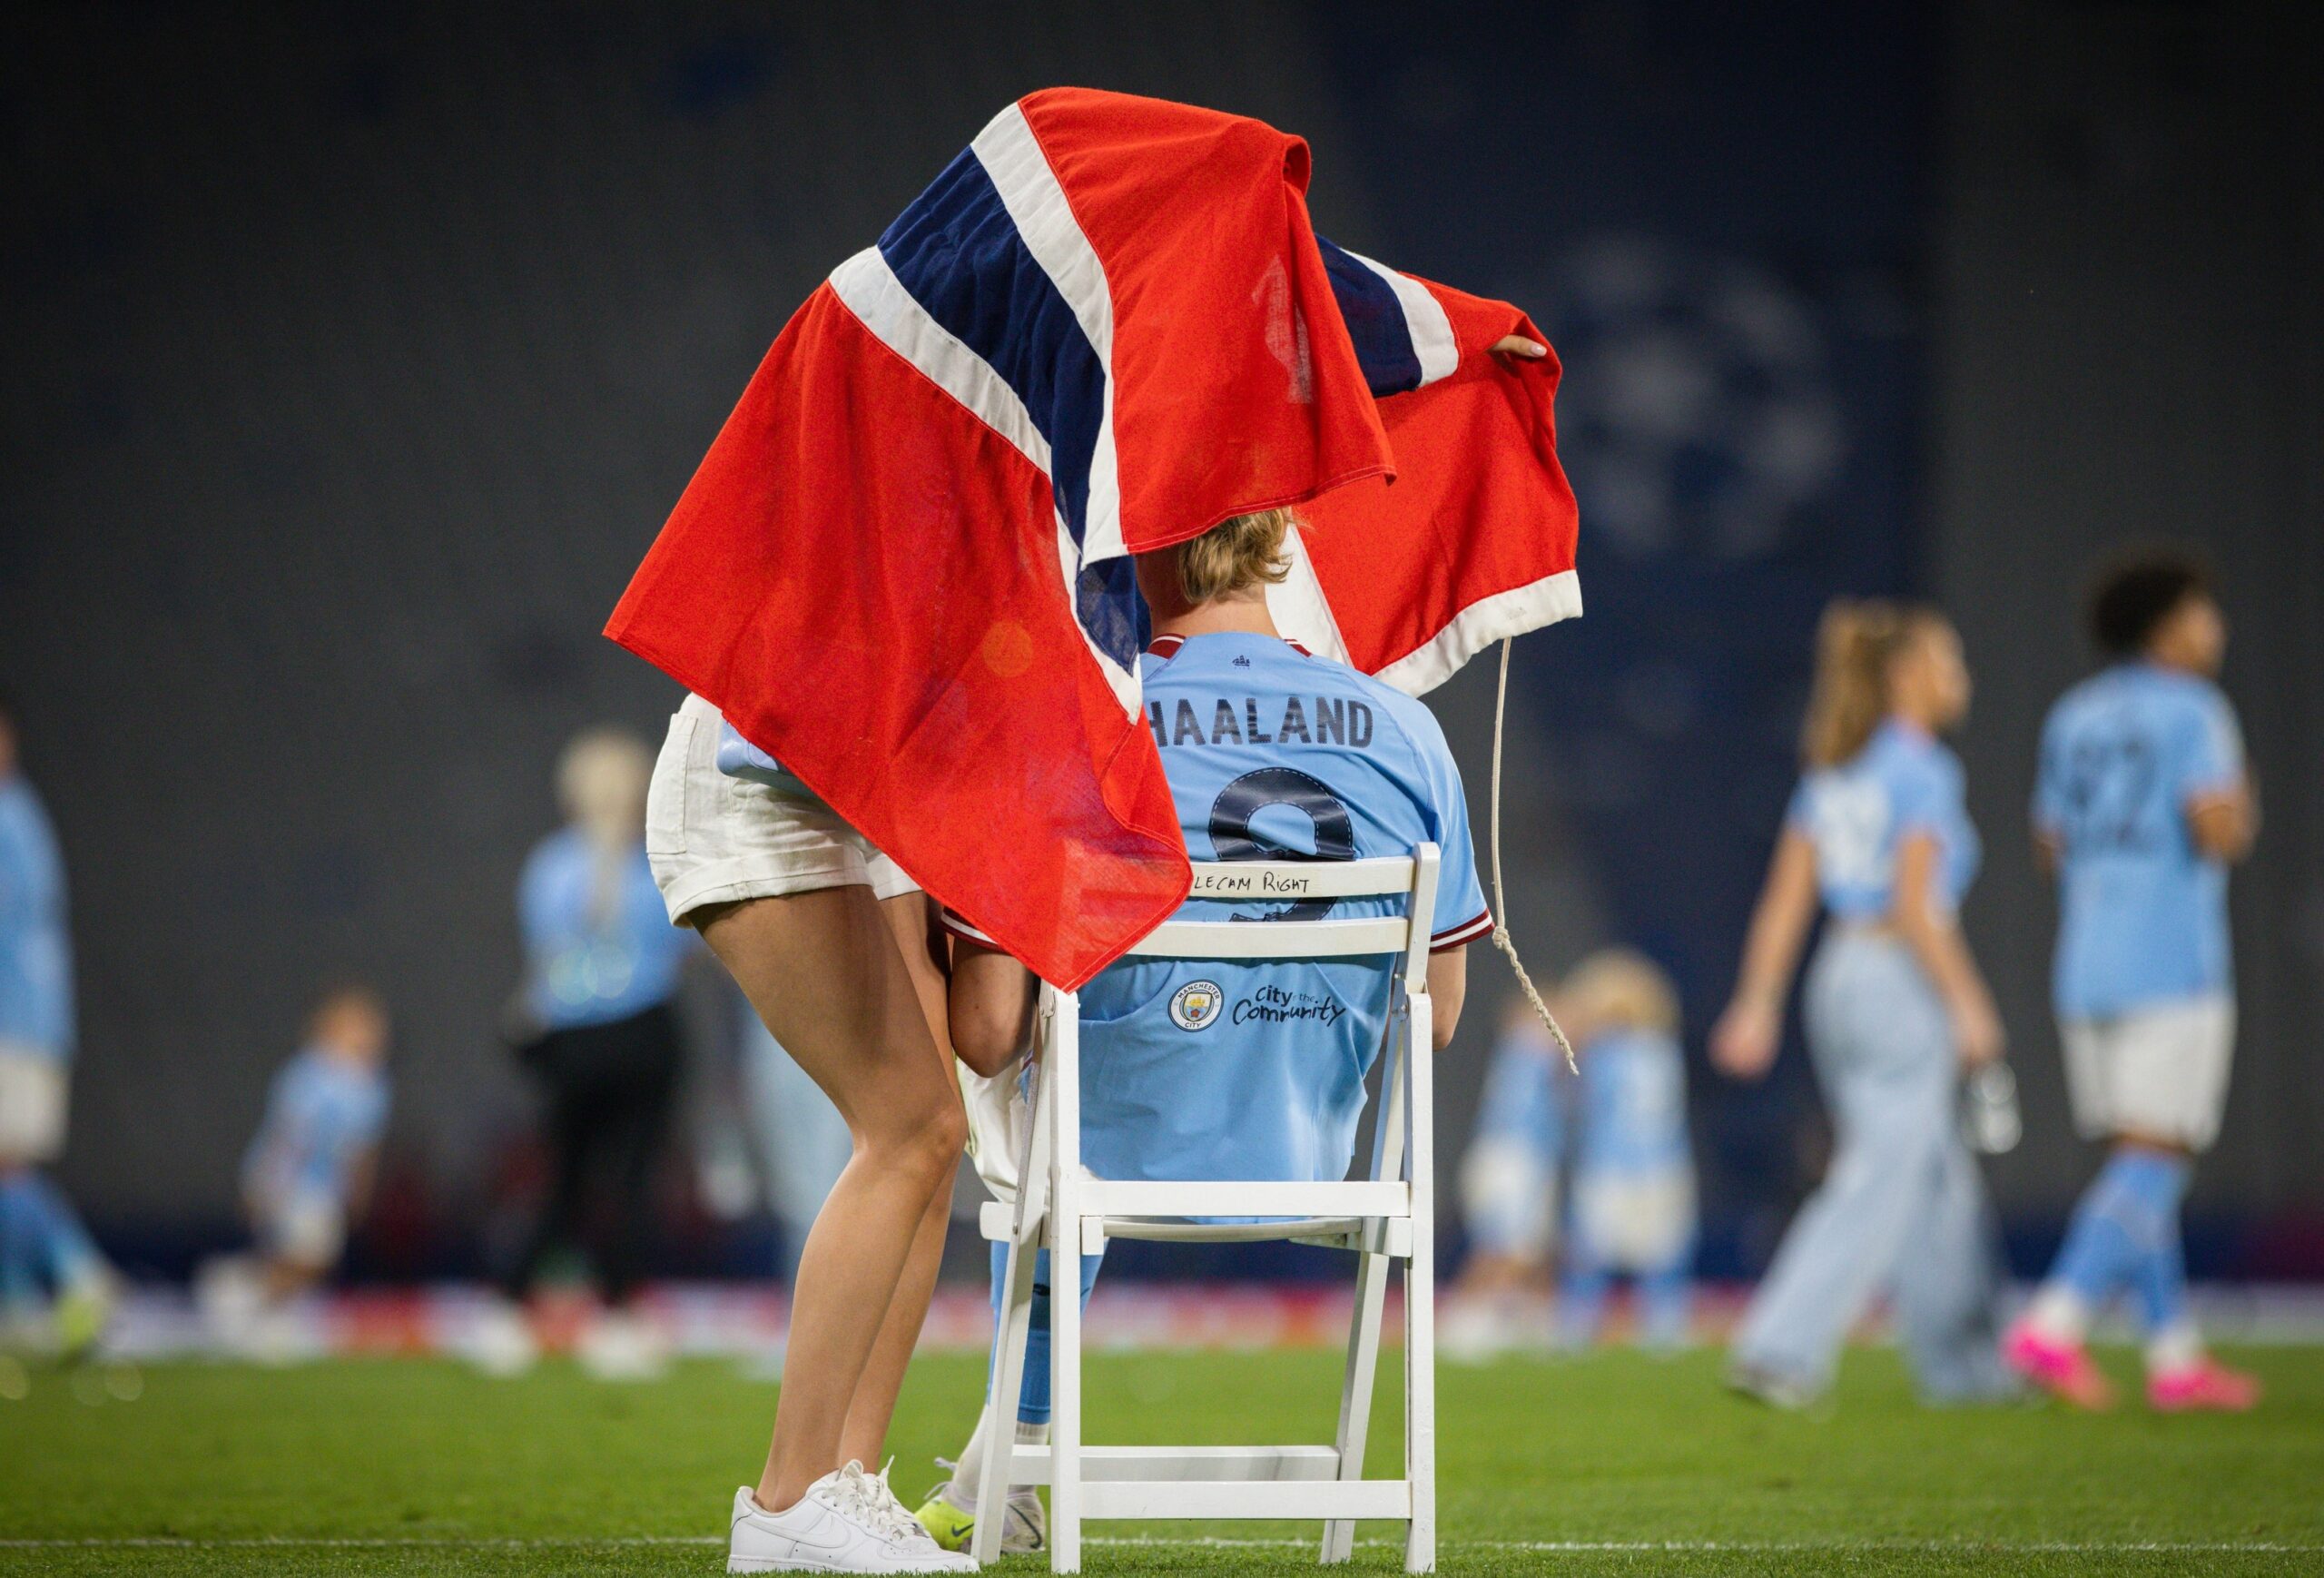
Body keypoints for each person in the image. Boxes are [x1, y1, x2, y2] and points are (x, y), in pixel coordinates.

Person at [910, 507, 1489, 1555]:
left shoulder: (1082, 721)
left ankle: (1014, 1447)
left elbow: (989, 1033)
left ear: (1130, 558)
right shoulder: (1407, 728)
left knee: (1019, 1053)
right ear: (1275, 548)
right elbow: (1436, 1017)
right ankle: (1001, 1458)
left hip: (1101, 1159)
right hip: (1314, 1162)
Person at [646, 696, 971, 1571]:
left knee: (938, 1141)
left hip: (876, 790)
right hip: (763, 773)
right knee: (911, 1127)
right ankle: (786, 1500)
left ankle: (844, 1486)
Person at [1711, 600, 2015, 1408]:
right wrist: (1972, 1005)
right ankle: (1781, 1348)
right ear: (1907, 677)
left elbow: (1784, 903)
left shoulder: (1834, 770)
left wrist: (1757, 1003)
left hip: (1837, 975)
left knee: (1937, 1176)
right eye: (1948, 661)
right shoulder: (1922, 770)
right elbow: (1917, 907)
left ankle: (1969, 1373)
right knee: (1882, 1171)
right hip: (1897, 976)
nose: (1961, 678)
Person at [2004, 552, 2260, 1412]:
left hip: (2087, 963)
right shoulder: (2197, 710)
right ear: (2169, 623)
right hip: (2171, 958)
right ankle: (2054, 1319)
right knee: (2158, 1158)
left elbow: (2049, 846)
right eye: (2203, 613)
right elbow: (2220, 829)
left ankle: (2173, 1358)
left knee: (2135, 1158)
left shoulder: (2072, 717)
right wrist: (2240, 802)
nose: (2213, 631)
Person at [479, 726, 695, 1383]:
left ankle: (511, 1307)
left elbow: (542, 961)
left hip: (568, 1044)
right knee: (630, 1181)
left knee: (565, 1179)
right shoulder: (658, 863)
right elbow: (685, 949)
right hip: (642, 1036)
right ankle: (620, 1314)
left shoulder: (549, 867)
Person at [0, 690, 115, 1359]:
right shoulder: (26, 816)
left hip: (15, 1022)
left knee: (9, 1167)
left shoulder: (9, 817)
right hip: (31, 1021)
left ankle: (79, 1273)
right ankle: (17, 1305)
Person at [197, 982, 391, 1358]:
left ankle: (248, 1294)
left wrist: (359, 1192)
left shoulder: (373, 1087)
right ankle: (244, 1294)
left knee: (313, 1259)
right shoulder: (309, 1077)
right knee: (306, 1253)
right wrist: (269, 1186)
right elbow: (287, 1137)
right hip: (294, 1183)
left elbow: (364, 1149)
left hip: (326, 1187)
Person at [1552, 950, 1695, 1352]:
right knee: (1661, 1256)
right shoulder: (1663, 1050)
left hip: (1610, 1166)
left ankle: (1575, 1332)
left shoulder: (1604, 1054)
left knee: (1589, 1256)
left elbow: (1578, 1107)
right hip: (1662, 1166)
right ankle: (1665, 1333)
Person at [1445, 1001, 1567, 1360]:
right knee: (1501, 1247)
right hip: (1512, 1160)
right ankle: (1463, 1323)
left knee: (1532, 1249)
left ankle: (1530, 1322)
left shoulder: (1525, 1055)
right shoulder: (1529, 1051)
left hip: (1526, 1159)